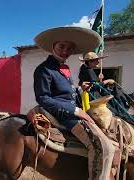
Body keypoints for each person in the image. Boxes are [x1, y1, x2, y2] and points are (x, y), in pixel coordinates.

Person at [33, 26, 115, 180]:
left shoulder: (65, 67)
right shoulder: (43, 70)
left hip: (72, 109)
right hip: (63, 114)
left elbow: (64, 92)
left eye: (69, 48)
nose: (65, 50)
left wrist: (78, 89)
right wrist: (75, 110)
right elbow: (43, 98)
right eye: (62, 46)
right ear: (53, 46)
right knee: (104, 148)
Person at [79, 52, 134, 116]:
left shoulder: (85, 68)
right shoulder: (88, 71)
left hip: (93, 93)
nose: (98, 62)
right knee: (113, 107)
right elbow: (93, 86)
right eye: (96, 60)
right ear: (90, 62)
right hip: (93, 95)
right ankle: (124, 109)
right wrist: (108, 81)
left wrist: (100, 80)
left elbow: (93, 82)